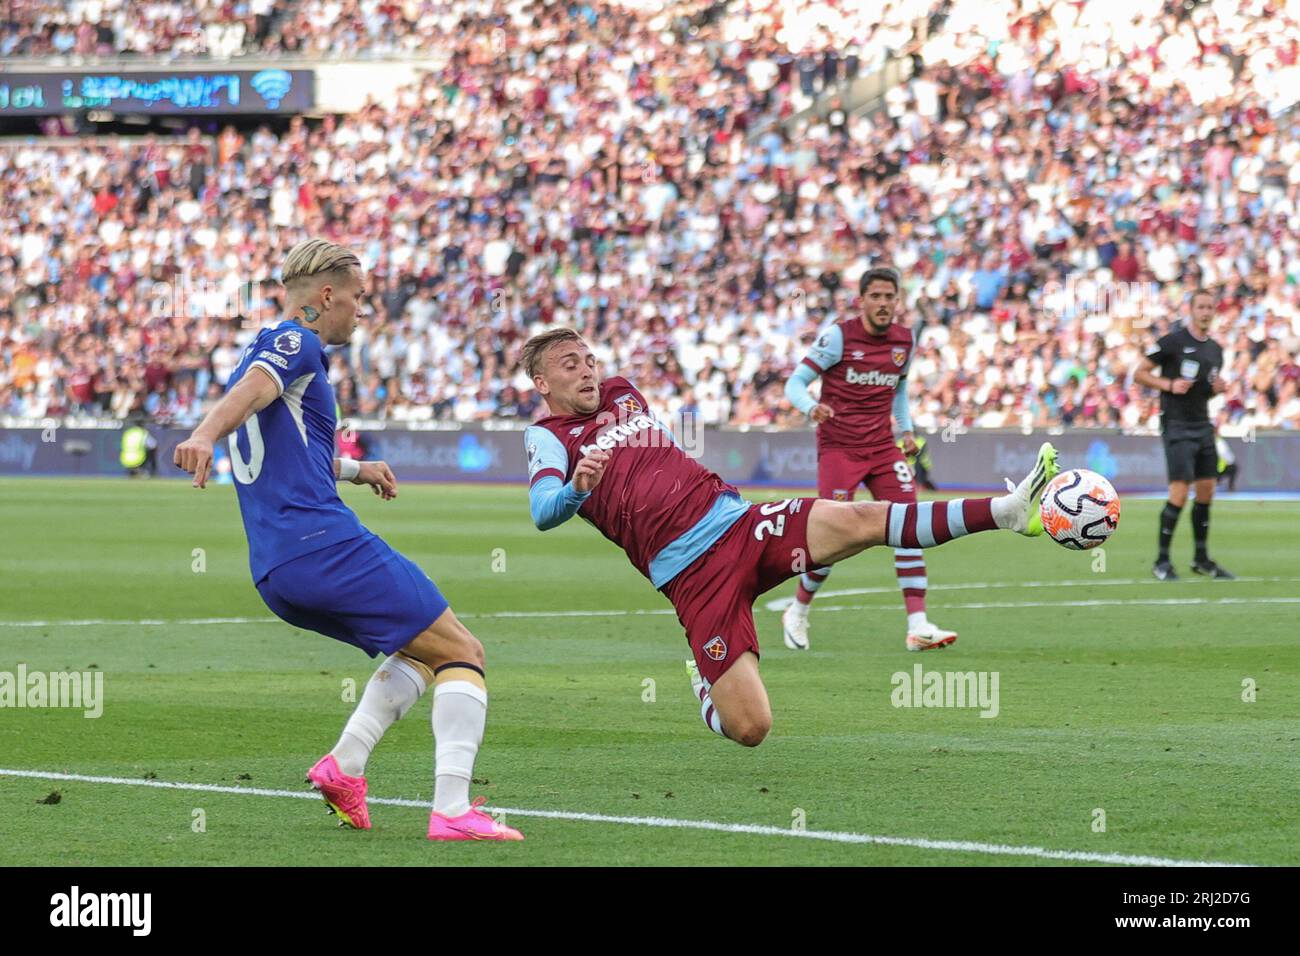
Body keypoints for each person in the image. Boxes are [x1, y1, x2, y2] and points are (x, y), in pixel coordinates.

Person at [519, 327, 1059, 747]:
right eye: (571, 365)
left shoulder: (622, 392)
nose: (589, 371)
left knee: (861, 519)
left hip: (741, 524)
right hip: (691, 576)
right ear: (543, 384)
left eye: (590, 360)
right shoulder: (547, 438)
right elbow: (543, 512)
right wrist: (577, 488)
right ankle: (707, 684)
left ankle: (1005, 511)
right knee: (751, 728)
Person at [173, 238, 521, 841]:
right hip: (322, 545)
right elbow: (256, 386)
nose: (363, 310)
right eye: (359, 297)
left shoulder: (268, 356)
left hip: (278, 572)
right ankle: (453, 811)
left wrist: (358, 470)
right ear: (326, 294)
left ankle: (345, 765)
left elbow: (289, 450)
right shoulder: (292, 341)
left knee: (418, 651)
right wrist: (204, 432)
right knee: (464, 651)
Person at [782, 267, 957, 652]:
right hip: (839, 450)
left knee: (909, 524)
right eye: (874, 296)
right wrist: (811, 407)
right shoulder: (837, 337)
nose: (882, 304)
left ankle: (918, 626)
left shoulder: (904, 340)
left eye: (888, 297)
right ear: (861, 300)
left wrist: (907, 430)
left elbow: (900, 389)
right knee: (832, 536)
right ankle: (797, 610)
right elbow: (794, 383)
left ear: (897, 301)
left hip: (882, 447)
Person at [1133, 289, 1234, 580]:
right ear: (1190, 310)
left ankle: (1201, 558)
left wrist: (1217, 390)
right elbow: (1139, 373)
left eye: (1209, 307)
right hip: (1176, 425)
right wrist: (1168, 384)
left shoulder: (1215, 350)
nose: (1205, 311)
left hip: (1203, 424)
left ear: (1214, 311)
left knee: (1207, 491)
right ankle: (1161, 561)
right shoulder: (1172, 342)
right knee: (1179, 491)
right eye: (1200, 306)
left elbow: (1204, 389)